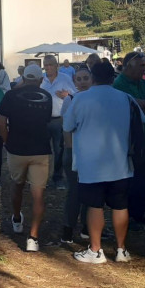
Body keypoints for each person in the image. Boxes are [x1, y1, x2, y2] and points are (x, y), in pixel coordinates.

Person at [64, 62, 140, 264]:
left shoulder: (80, 99)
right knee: (120, 205)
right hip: (121, 162)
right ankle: (121, 249)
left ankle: (96, 250)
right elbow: (140, 123)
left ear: (93, 77)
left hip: (91, 163)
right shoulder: (126, 98)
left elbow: (68, 125)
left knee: (94, 206)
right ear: (113, 77)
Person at [0, 65, 52, 252]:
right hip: (40, 148)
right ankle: (33, 238)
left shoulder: (10, 96)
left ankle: (17, 218)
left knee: (17, 185)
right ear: (40, 80)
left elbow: (1, 122)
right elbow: (46, 121)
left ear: (23, 77)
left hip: (17, 148)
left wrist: (7, 142)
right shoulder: (47, 97)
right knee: (38, 194)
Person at [113, 52, 145, 226]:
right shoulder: (119, 84)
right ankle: (130, 215)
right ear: (129, 66)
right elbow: (133, 104)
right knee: (131, 179)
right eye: (141, 65)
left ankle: (139, 213)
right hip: (130, 139)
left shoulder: (142, 82)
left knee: (143, 178)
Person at [59, 66, 92, 243]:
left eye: (85, 78)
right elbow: (66, 127)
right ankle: (68, 228)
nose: (82, 82)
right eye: (78, 79)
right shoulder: (70, 99)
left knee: (90, 190)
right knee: (74, 191)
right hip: (74, 150)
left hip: (91, 151)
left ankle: (87, 226)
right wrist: (71, 149)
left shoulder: (95, 98)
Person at [40, 55, 77, 189]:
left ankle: (58, 177)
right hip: (43, 119)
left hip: (59, 119)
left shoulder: (65, 79)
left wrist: (67, 95)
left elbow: (75, 94)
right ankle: (41, 178)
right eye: (46, 64)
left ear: (57, 66)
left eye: (51, 64)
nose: (48, 67)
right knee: (42, 150)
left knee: (59, 149)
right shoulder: (41, 80)